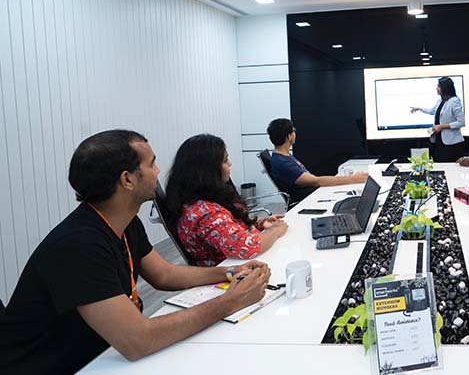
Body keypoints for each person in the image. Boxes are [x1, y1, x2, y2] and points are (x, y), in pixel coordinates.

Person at [0, 130, 271, 374]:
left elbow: (164, 274)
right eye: (151, 163)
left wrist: (229, 271)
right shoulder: (78, 245)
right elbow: (138, 340)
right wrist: (231, 301)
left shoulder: (125, 221)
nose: (157, 171)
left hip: (103, 355)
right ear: (127, 179)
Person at [163, 134, 289, 267]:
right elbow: (248, 247)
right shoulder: (204, 214)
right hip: (230, 274)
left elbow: (227, 228)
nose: (230, 164)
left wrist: (258, 224)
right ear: (208, 170)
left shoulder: (207, 199)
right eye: (225, 160)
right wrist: (275, 230)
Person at [268, 118, 368, 202]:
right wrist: (353, 179)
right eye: (293, 130)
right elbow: (316, 181)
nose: (295, 133)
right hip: (310, 199)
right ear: (289, 136)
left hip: (314, 193)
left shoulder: (283, 156)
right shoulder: (283, 163)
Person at [410, 76, 465, 162]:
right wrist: (419, 108)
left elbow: (461, 122)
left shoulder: (454, 101)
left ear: (445, 88)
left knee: (451, 167)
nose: (436, 88)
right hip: (440, 140)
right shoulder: (441, 100)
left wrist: (441, 126)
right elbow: (432, 111)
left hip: (451, 143)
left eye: (439, 86)